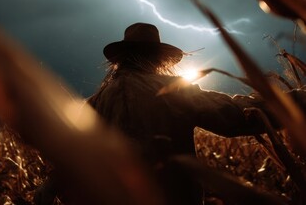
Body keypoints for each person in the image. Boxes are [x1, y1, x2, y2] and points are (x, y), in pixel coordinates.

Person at [86, 22, 302, 205]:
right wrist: (299, 101)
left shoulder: (95, 103)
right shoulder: (171, 90)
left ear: (120, 59)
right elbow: (237, 115)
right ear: (158, 58)